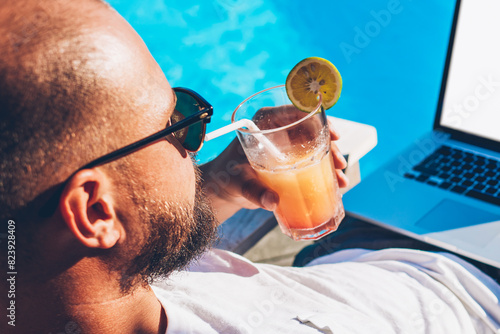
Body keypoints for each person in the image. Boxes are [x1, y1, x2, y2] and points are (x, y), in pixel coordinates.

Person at [0, 1, 499, 333]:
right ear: (94, 211)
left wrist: (216, 186)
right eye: (177, 124)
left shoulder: (87, 286)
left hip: (357, 256)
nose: (194, 139)